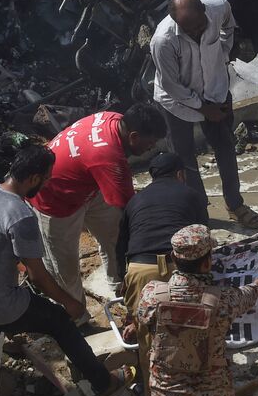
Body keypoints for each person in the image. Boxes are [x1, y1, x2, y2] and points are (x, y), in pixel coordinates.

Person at [0, 144, 133, 396]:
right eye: (47, 178)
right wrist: (72, 303)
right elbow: (37, 275)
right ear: (34, 178)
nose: (48, 183)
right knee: (60, 321)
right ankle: (104, 384)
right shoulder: (21, 214)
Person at [137, 225, 258, 396]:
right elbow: (252, 293)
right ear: (207, 263)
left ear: (173, 258)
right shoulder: (224, 299)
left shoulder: (152, 295)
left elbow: (142, 317)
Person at [29, 104, 166, 317]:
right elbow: (131, 211)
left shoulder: (116, 118)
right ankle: (76, 315)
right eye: (151, 142)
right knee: (64, 265)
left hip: (88, 184)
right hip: (55, 198)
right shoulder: (108, 156)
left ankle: (119, 284)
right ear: (134, 136)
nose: (153, 147)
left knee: (114, 234)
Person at [151, 0, 258, 229]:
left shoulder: (218, 6)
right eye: (188, 30)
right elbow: (171, 85)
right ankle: (198, 211)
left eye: (199, 26)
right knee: (184, 159)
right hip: (177, 101)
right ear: (176, 23)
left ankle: (235, 205)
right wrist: (204, 109)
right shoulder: (163, 40)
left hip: (215, 89)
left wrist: (224, 51)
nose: (195, 32)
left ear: (204, 10)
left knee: (225, 148)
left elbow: (229, 27)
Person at [115, 152, 207, 389]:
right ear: (180, 174)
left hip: (140, 269)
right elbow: (201, 240)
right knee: (191, 330)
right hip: (180, 268)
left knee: (148, 339)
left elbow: (120, 246)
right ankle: (194, 388)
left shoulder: (134, 201)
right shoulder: (191, 195)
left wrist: (124, 281)